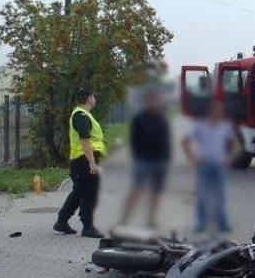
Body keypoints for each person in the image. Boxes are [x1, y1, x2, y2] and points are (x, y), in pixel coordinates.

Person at [54, 88, 107, 238]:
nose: (94, 99)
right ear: (89, 98)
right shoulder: (81, 116)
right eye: (93, 97)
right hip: (84, 160)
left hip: (83, 160)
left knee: (79, 193)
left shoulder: (83, 115)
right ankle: (88, 227)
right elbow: (85, 140)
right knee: (90, 194)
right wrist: (92, 163)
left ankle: (61, 221)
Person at [183, 99, 237, 235]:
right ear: (209, 112)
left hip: (219, 165)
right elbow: (185, 141)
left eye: (220, 111)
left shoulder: (225, 126)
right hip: (204, 165)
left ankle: (223, 224)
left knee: (220, 196)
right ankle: (201, 224)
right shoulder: (200, 125)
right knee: (202, 195)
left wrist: (230, 158)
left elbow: (235, 143)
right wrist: (192, 158)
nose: (217, 113)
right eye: (215, 111)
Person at [119, 88, 171, 228]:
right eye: (151, 100)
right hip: (143, 161)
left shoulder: (161, 118)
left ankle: (152, 220)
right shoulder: (139, 118)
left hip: (160, 162)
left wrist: (166, 158)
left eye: (156, 100)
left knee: (156, 192)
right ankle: (124, 219)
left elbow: (166, 139)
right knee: (136, 189)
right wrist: (137, 156)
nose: (154, 103)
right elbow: (134, 140)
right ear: (146, 101)